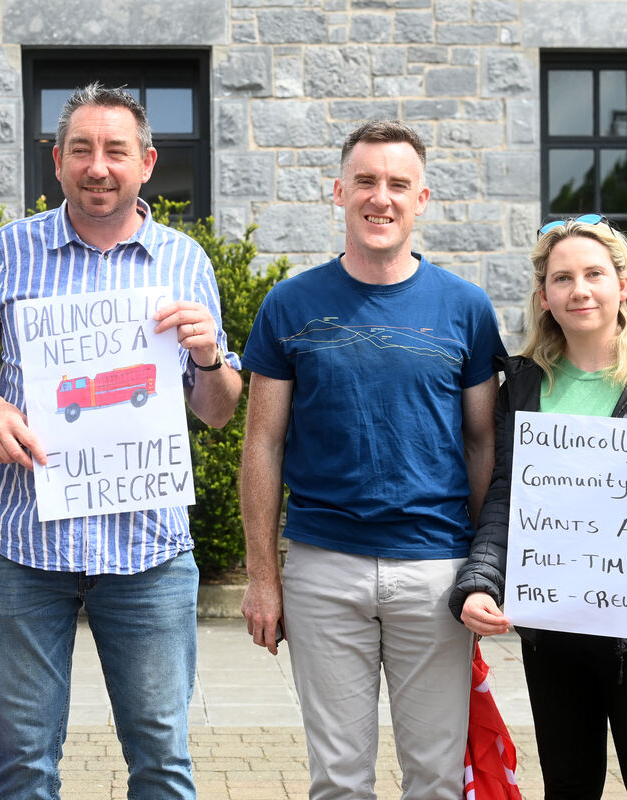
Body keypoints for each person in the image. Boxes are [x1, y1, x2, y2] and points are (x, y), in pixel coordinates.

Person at [0, 83, 241, 800]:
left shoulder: (185, 260)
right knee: (25, 761)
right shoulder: (12, 249)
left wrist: (208, 358)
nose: (98, 166)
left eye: (115, 151)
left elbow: (219, 412)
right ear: (57, 161)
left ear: (147, 163)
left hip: (148, 549)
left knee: (161, 759)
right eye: (82, 149)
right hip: (25, 543)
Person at [239, 121, 504, 799]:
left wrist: (487, 570)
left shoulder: (466, 308)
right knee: (338, 781)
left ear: (421, 199)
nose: (380, 197)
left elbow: (482, 443)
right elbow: (262, 443)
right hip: (324, 570)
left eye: (397, 184)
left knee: (437, 779)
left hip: (437, 570)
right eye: (365, 181)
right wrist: (263, 578)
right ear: (339, 191)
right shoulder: (289, 304)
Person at [449, 215, 627, 800]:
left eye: (594, 274)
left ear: (623, 285)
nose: (579, 290)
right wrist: (479, 582)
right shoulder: (523, 385)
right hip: (556, 628)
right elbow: (506, 498)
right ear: (544, 297)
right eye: (562, 278)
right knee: (568, 785)